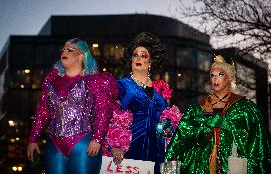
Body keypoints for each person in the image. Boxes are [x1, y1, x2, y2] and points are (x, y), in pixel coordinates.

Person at [165, 55, 271, 173]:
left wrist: (229, 126)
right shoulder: (197, 110)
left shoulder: (246, 108)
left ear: (229, 78)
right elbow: (180, 142)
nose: (215, 79)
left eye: (220, 75)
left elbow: (258, 144)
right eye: (212, 75)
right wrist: (205, 127)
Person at [27, 38, 118, 174]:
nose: (65, 52)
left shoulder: (95, 80)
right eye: (63, 49)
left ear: (82, 55)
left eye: (70, 50)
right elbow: (42, 111)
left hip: (83, 142)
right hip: (54, 143)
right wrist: (33, 139)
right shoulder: (51, 80)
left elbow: (103, 110)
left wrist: (97, 139)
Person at [111, 32, 170, 173]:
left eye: (143, 55)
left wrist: (167, 130)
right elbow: (110, 116)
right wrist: (115, 145)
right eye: (135, 55)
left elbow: (163, 122)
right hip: (130, 149)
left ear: (150, 62)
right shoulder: (121, 85)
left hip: (157, 151)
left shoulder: (160, 92)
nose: (138, 58)